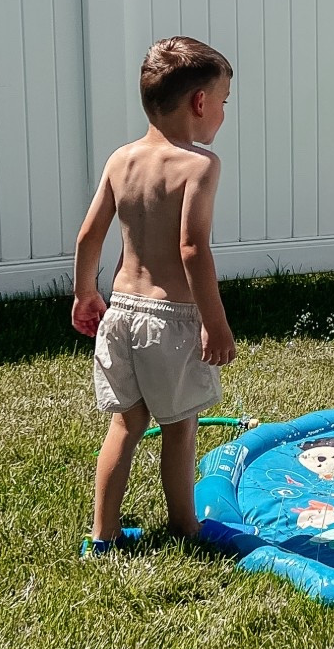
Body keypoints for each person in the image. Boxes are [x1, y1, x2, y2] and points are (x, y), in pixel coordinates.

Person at [70, 37, 237, 556]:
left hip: (120, 311)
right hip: (171, 318)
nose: (224, 114)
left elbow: (89, 235)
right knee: (179, 426)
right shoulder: (199, 166)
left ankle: (103, 535)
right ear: (199, 103)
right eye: (225, 102)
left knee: (127, 421)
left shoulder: (122, 159)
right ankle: (186, 528)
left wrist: (84, 293)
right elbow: (191, 249)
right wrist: (214, 322)